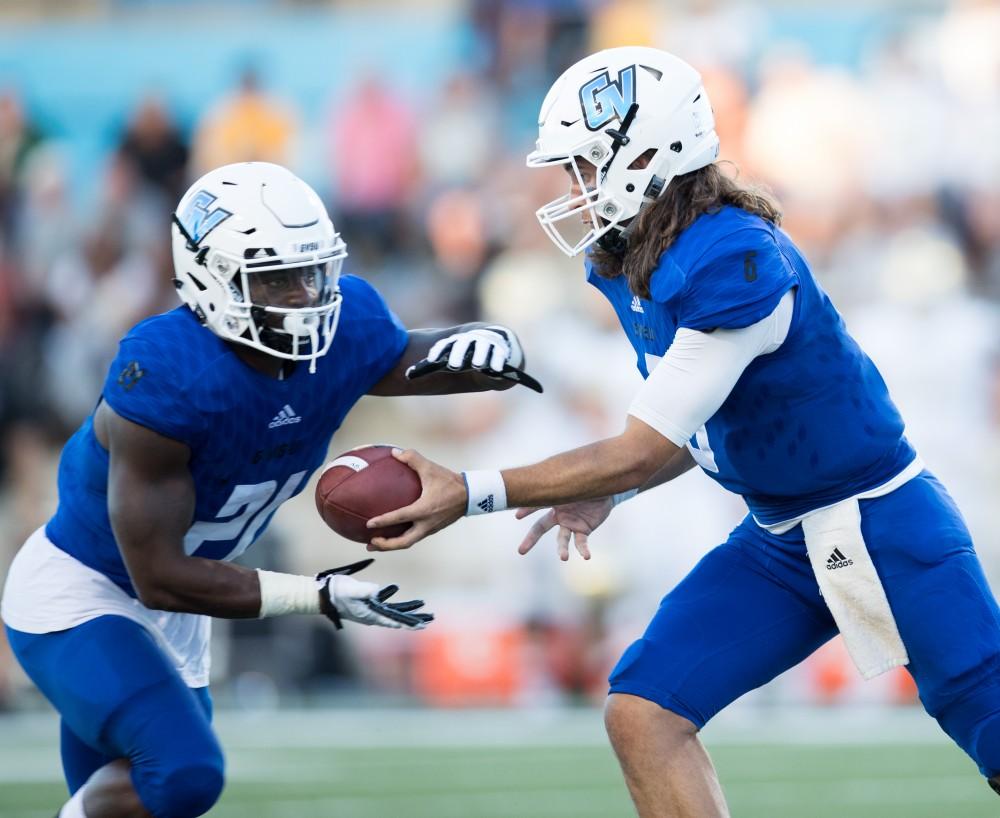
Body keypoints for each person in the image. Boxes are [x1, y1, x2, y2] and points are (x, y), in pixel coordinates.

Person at [364, 47, 1000, 816]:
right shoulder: (639, 255)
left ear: (645, 157)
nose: (574, 189)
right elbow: (686, 428)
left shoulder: (733, 258)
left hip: (882, 523)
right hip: (779, 538)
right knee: (644, 711)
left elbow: (646, 444)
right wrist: (615, 491)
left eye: (586, 167)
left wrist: (470, 493)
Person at [0, 161, 541, 818]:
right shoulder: (172, 374)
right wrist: (317, 595)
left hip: (185, 595)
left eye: (312, 273)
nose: (305, 297)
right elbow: (158, 577)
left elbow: (404, 357)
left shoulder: (346, 328)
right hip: (86, 589)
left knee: (143, 791)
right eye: (277, 279)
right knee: (185, 773)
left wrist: (489, 346)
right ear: (210, 278)